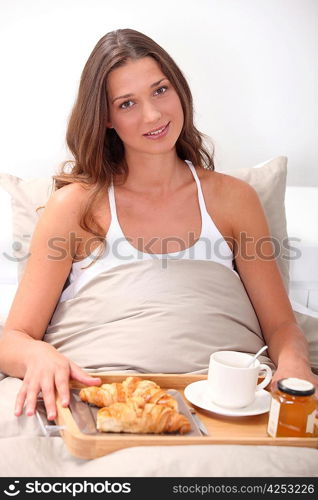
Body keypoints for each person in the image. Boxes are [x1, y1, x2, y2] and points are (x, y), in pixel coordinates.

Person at [0, 28, 316, 422]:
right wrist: (37, 355)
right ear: (106, 118)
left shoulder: (235, 200)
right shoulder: (74, 207)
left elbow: (282, 325)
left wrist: (295, 363)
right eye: (127, 103)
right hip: (101, 403)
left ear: (179, 89)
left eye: (160, 90)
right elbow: (12, 340)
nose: (152, 114)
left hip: (224, 407)